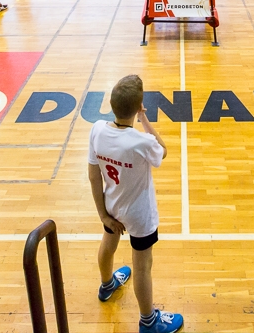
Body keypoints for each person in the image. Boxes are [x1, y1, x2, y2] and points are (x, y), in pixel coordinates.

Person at [87, 74, 184, 333]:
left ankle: (107, 284)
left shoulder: (97, 130)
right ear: (139, 105)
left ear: (112, 104)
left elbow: (93, 174)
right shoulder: (142, 142)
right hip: (140, 216)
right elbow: (163, 150)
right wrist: (144, 119)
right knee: (142, 266)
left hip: (112, 206)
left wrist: (103, 214)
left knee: (108, 243)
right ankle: (148, 321)